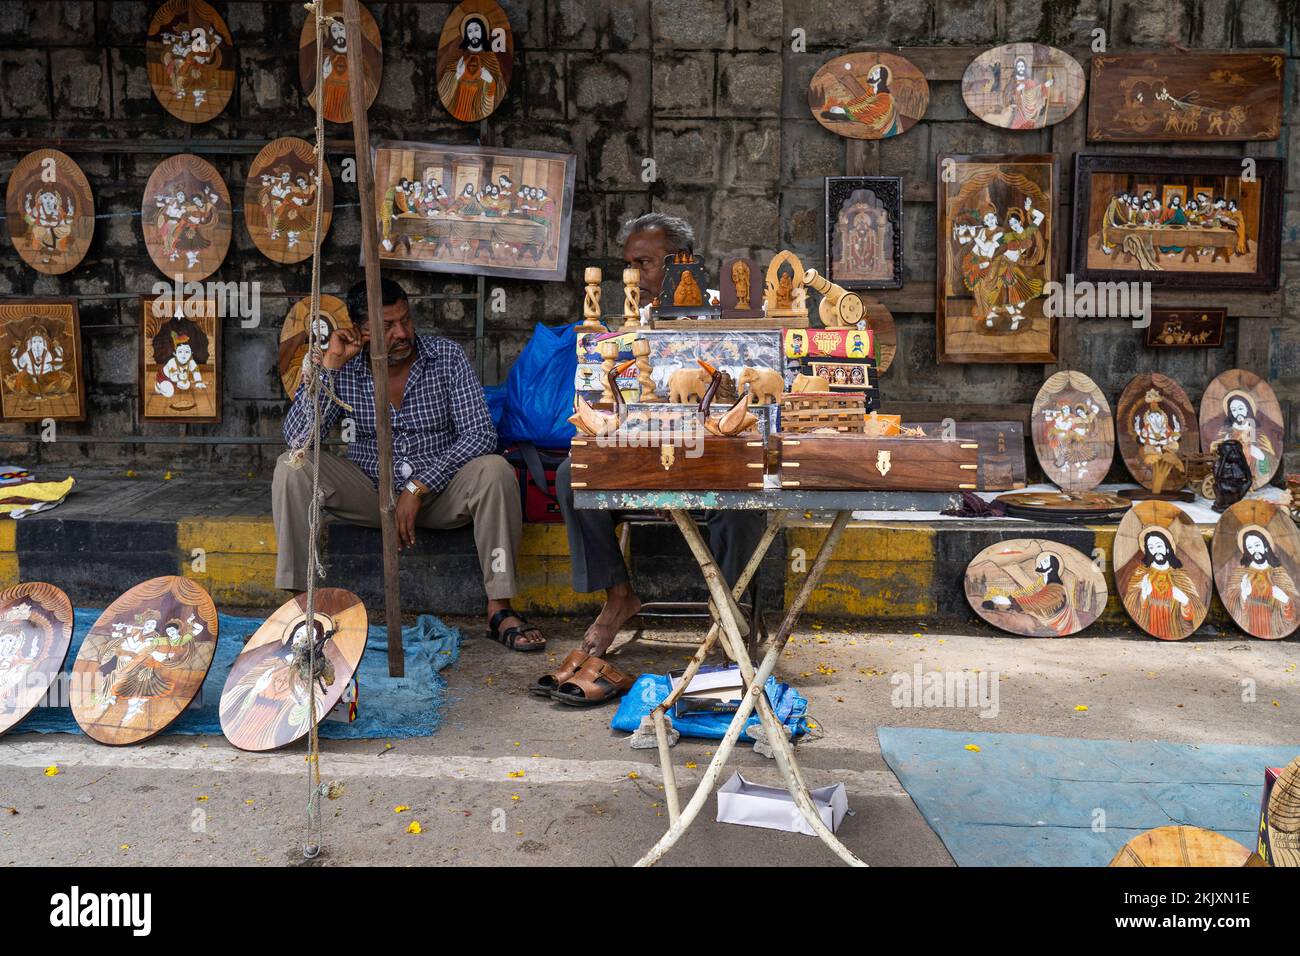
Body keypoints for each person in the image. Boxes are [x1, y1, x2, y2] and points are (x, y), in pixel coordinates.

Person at [273, 278, 547, 652]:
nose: (402, 333)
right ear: (360, 330)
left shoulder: (446, 357)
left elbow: (481, 434)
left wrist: (420, 485)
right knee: (292, 468)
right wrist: (331, 367)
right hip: (370, 491)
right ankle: (301, 612)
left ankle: (499, 609)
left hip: (440, 494)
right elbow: (298, 439)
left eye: (405, 320)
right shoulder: (345, 368)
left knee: (495, 471)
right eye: (386, 326)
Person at [555, 213, 766, 658]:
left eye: (644, 264)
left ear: (680, 263)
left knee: (745, 488)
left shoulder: (726, 313)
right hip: (644, 453)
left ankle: (728, 608)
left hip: (712, 456)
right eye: (627, 265)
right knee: (571, 472)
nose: (632, 277)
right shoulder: (624, 325)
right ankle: (617, 597)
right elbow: (609, 401)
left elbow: (748, 402)